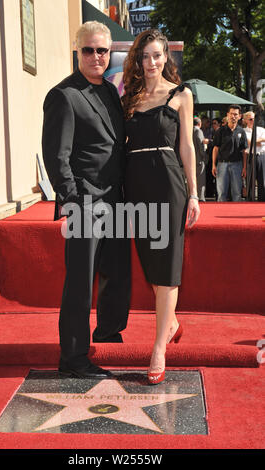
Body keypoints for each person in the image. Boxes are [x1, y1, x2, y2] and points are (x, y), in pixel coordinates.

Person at [42, 21, 131, 379]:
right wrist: (73, 201)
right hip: (86, 203)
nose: (97, 56)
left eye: (103, 50)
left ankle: (107, 334)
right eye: (89, 50)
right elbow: (56, 157)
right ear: (77, 52)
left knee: (117, 274)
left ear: (110, 53)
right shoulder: (64, 95)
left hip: (117, 200)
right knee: (81, 282)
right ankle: (74, 357)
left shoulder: (110, 92)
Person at [122, 29, 200, 385]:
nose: (151, 62)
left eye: (157, 55)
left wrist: (195, 194)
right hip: (135, 184)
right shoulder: (131, 97)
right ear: (138, 61)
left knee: (167, 263)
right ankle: (171, 323)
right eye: (145, 57)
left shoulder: (181, 95)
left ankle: (158, 347)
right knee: (150, 259)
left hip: (169, 184)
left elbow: (187, 147)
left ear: (166, 57)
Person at [212, 105, 248, 201]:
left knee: (237, 193)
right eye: (231, 114)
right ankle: (220, 213)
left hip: (237, 165)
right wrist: (213, 165)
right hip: (222, 164)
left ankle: (236, 215)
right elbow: (215, 149)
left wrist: (244, 167)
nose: (233, 116)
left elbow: (244, 151)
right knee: (221, 193)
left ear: (239, 116)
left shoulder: (241, 131)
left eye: (236, 114)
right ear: (227, 115)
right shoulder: (220, 131)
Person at [243, 111, 265, 201]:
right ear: (245, 120)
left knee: (262, 181)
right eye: (251, 119)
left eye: (254, 118)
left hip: (261, 156)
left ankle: (262, 201)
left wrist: (254, 141)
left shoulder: (261, 130)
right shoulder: (243, 131)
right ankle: (250, 201)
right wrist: (259, 141)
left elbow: (258, 142)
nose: (253, 121)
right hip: (250, 156)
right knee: (250, 180)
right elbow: (249, 143)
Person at [193, 117, 208, 201]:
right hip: (199, 159)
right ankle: (201, 197)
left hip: (190, 159)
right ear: (199, 124)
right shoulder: (198, 131)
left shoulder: (189, 130)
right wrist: (205, 156)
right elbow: (201, 145)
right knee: (200, 179)